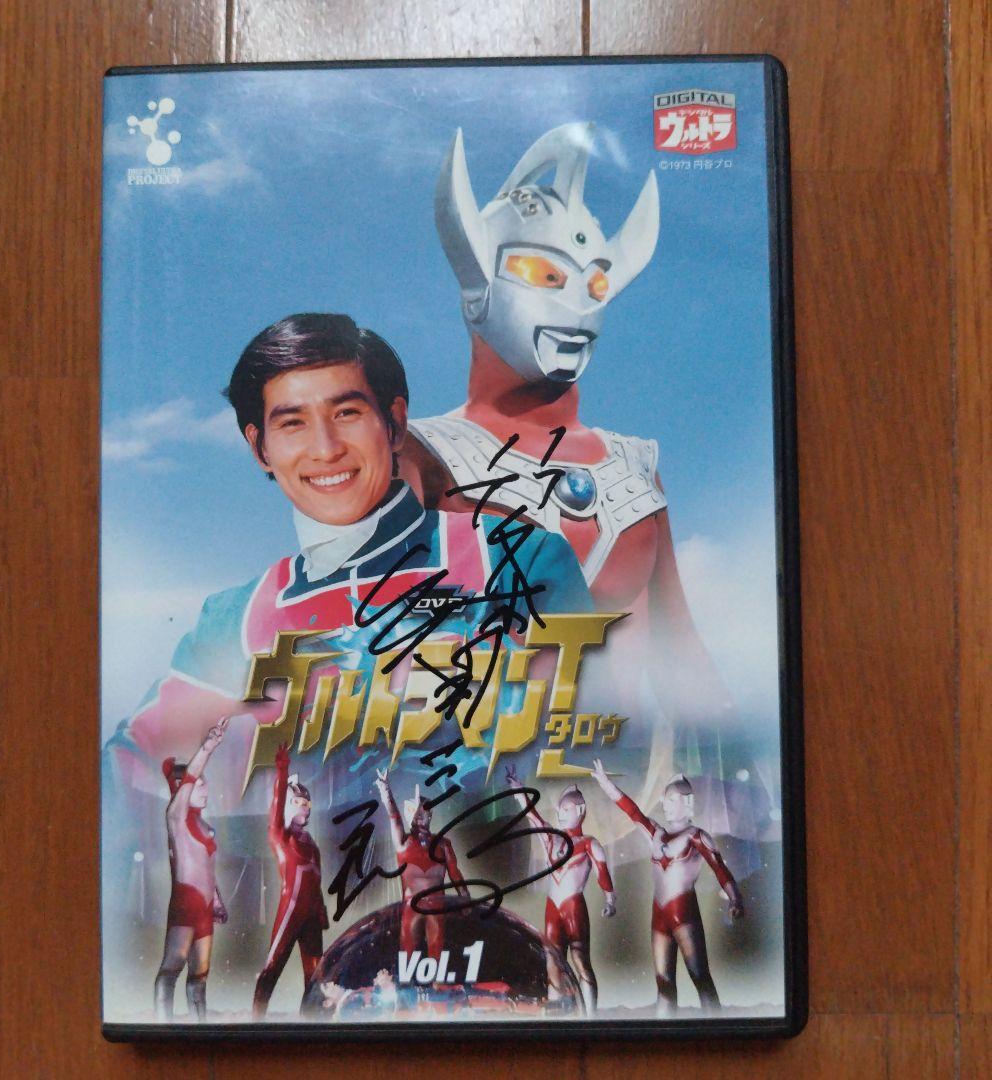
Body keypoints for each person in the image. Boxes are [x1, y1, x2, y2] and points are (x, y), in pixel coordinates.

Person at [110, 313, 595, 801]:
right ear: (260, 448)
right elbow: (129, 766)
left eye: (346, 413)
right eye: (293, 422)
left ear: (395, 423)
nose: (325, 449)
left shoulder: (514, 560)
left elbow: (599, 738)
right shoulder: (236, 617)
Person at [401, 123, 738, 810]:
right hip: (484, 800)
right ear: (479, 278)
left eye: (595, 279)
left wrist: (743, 775)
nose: (577, 299)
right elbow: (384, 648)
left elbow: (681, 647)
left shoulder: (635, 466)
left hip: (632, 794)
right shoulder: (423, 452)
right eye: (544, 275)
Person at [590, 758, 743, 1014]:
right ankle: (663, 1031)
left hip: (684, 912)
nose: (666, 804)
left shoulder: (696, 836)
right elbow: (632, 811)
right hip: (659, 914)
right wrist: (606, 784)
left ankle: (716, 1029)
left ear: (688, 803)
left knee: (700, 977)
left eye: (672, 800)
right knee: (663, 984)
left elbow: (719, 868)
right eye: (665, 799)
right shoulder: (655, 833)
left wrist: (735, 898)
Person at [504, 764, 615, 1014]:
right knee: (552, 961)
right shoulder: (551, 838)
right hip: (552, 908)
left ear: (580, 811)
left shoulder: (589, 843)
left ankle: (590, 1017)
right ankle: (557, 1013)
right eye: (560, 809)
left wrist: (610, 899)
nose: (561, 813)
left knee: (580, 960)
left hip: (573, 906)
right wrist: (518, 789)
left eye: (566, 809)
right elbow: (533, 816)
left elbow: (603, 873)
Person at [153, 716, 230, 1021]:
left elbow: (208, 866)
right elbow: (189, 778)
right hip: (185, 905)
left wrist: (218, 901)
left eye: (205, 782)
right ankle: (162, 1026)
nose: (204, 787)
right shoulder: (176, 816)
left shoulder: (204, 824)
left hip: (205, 908)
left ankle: (200, 1029)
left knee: (200, 975)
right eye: (198, 783)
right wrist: (208, 747)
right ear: (181, 788)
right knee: (172, 967)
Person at [253, 745, 326, 1017]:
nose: (304, 807)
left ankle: (311, 1021)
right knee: (274, 964)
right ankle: (256, 1020)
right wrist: (282, 771)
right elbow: (276, 804)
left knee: (315, 973)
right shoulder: (280, 835)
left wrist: (321, 910)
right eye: (299, 802)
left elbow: (316, 880)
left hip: (312, 913)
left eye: (307, 803)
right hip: (291, 908)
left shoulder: (311, 843)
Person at [374, 768, 470, 960]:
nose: (419, 816)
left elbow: (455, 873)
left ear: (430, 815)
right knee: (407, 953)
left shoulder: (442, 844)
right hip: (411, 905)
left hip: (437, 905)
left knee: (436, 952)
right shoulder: (404, 842)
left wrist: (465, 898)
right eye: (415, 812)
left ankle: (435, 976)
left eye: (423, 812)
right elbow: (394, 818)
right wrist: (386, 792)